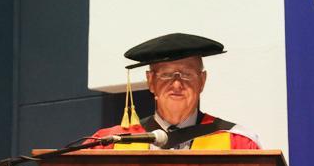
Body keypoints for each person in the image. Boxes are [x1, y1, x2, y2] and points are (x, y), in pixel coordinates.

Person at [86, 33, 261, 150]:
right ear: (151, 81)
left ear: (202, 81)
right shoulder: (111, 143)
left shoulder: (238, 143)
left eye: (186, 74)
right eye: (166, 75)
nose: (176, 84)